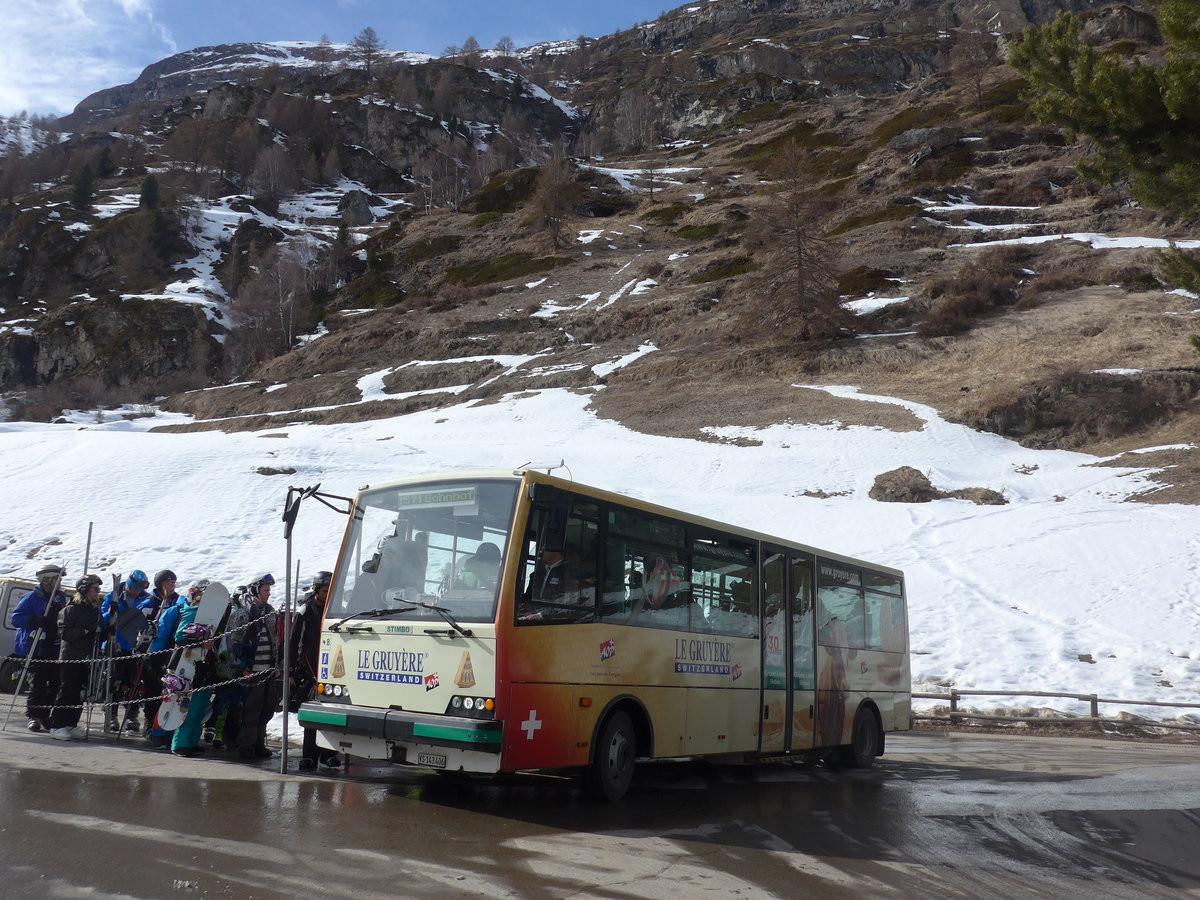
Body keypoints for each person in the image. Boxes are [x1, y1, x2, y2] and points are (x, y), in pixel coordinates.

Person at [290, 571, 341, 772]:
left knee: (331, 713)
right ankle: (309, 755)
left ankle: (328, 755)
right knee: (312, 714)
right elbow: (295, 643)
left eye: (329, 590)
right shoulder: (305, 611)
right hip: (308, 669)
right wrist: (293, 670)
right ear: (316, 590)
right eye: (324, 590)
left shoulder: (333, 610)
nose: (327, 593)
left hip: (330, 667)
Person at [226, 573, 280, 760]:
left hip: (268, 669)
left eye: (269, 590)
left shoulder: (270, 612)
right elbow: (232, 642)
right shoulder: (243, 614)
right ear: (255, 590)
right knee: (252, 710)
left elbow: (276, 640)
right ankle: (246, 745)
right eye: (265, 590)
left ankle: (259, 743)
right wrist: (239, 667)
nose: (268, 594)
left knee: (267, 709)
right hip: (252, 670)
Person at [10, 564, 68, 732]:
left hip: (55, 645)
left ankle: (45, 714)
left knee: (55, 683)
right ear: (48, 579)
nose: (60, 582)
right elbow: (16, 618)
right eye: (57, 579)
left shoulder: (60, 598)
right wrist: (34, 620)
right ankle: (33, 715)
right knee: (39, 682)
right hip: (39, 646)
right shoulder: (32, 597)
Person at [145, 580, 198, 749]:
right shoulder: (176, 611)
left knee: (184, 701)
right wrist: (156, 658)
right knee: (168, 699)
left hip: (192, 660)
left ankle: (174, 733)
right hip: (172, 658)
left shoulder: (202, 614)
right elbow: (161, 634)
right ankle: (158, 734)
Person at [100, 569, 155, 733]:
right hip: (115, 644)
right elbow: (102, 620)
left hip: (134, 646)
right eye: (136, 587)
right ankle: (111, 713)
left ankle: (132, 714)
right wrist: (110, 613)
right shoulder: (113, 597)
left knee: (134, 682)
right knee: (113, 681)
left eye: (141, 588)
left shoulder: (146, 600)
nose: (137, 591)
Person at [49, 574, 103, 741]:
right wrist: (85, 630)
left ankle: (71, 723)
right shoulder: (70, 609)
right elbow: (64, 633)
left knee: (81, 692)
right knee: (68, 690)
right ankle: (57, 725)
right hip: (71, 657)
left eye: (99, 589)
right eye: (95, 589)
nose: (97, 592)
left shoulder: (95, 610)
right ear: (85, 590)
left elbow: (99, 631)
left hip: (87, 657)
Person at [170, 582, 217, 758]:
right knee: (186, 707)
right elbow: (180, 637)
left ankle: (191, 741)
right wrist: (200, 643)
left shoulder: (214, 616)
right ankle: (180, 743)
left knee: (200, 706)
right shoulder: (192, 611)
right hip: (188, 664)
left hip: (204, 664)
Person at [140, 569, 181, 735]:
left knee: (168, 689)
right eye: (168, 582)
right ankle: (150, 722)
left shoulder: (179, 601)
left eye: (173, 582)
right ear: (160, 584)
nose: (172, 585)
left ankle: (165, 724)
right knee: (152, 688)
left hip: (170, 649)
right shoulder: (150, 602)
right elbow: (139, 623)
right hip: (153, 650)